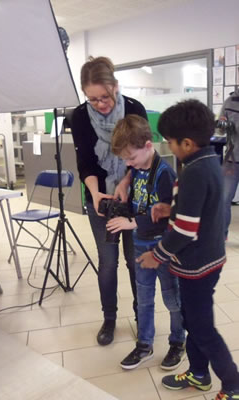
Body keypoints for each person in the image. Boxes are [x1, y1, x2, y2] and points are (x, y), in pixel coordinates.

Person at [139, 99, 239, 400]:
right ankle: (198, 374)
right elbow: (199, 211)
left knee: (202, 328)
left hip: (197, 266)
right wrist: (170, 208)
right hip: (206, 260)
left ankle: (233, 385)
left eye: (170, 141)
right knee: (192, 321)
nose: (168, 146)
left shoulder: (195, 170)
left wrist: (156, 256)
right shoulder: (205, 161)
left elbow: (185, 230)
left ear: (186, 142)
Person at [71, 56, 147, 346]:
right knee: (107, 262)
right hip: (99, 198)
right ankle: (110, 319)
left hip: (133, 197)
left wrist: (126, 182)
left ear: (116, 86)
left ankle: (143, 317)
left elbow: (141, 157)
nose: (101, 104)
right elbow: (85, 163)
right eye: (93, 99)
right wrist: (95, 193)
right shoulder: (79, 117)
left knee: (135, 261)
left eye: (105, 97)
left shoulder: (135, 109)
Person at [106, 114, 185, 370]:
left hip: (163, 247)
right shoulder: (137, 168)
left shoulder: (165, 174)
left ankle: (177, 341)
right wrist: (125, 184)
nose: (129, 164)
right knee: (144, 297)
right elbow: (134, 174)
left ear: (149, 146)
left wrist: (133, 223)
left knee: (172, 298)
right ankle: (144, 345)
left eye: (131, 158)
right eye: (125, 160)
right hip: (140, 244)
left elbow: (167, 218)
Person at [219, 88, 239, 239]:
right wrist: (222, 125)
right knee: (223, 199)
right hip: (232, 159)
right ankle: (222, 235)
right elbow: (220, 131)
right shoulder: (230, 101)